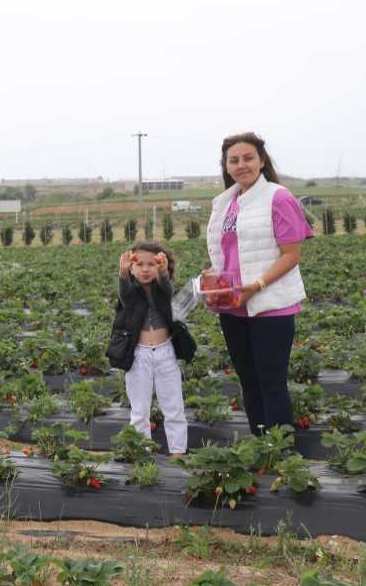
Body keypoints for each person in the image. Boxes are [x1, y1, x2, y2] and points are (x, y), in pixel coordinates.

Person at [205, 132, 314, 436]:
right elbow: (226, 255)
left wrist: (257, 285)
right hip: (233, 308)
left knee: (271, 382)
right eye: (234, 160)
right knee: (249, 382)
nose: (242, 165)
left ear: (262, 161)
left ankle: (279, 453)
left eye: (248, 158)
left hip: (270, 306)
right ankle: (259, 444)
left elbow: (291, 255)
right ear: (226, 166)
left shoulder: (278, 197)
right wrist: (212, 277)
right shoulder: (226, 204)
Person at [115, 241, 188, 456]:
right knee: (139, 410)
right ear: (131, 268)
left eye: (151, 264)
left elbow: (167, 288)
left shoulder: (162, 291)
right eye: (139, 264)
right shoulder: (130, 294)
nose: (145, 269)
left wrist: (164, 273)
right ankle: (142, 453)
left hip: (166, 354)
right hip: (139, 355)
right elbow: (124, 293)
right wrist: (122, 273)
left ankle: (178, 453)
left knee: (174, 407)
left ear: (161, 266)